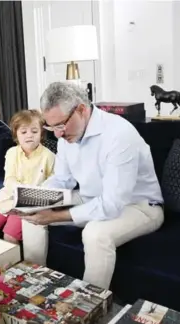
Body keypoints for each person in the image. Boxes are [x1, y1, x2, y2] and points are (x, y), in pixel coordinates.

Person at [22, 81, 164, 290]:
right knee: (32, 214)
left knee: (95, 233)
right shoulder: (65, 135)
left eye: (60, 125)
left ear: (81, 109)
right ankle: (35, 285)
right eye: (50, 127)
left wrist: (54, 216)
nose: (57, 134)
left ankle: (89, 305)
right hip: (91, 197)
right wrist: (31, 197)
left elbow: (111, 204)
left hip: (139, 206)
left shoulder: (119, 134)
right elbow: (62, 180)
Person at [0, 110, 55, 244]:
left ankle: (11, 262)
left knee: (10, 237)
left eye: (34, 131)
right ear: (16, 134)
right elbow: (9, 179)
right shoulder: (11, 153)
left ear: (41, 133)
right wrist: (19, 192)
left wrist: (31, 196)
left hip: (28, 204)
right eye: (24, 132)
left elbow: (53, 182)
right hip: (8, 197)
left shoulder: (49, 156)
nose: (29, 136)